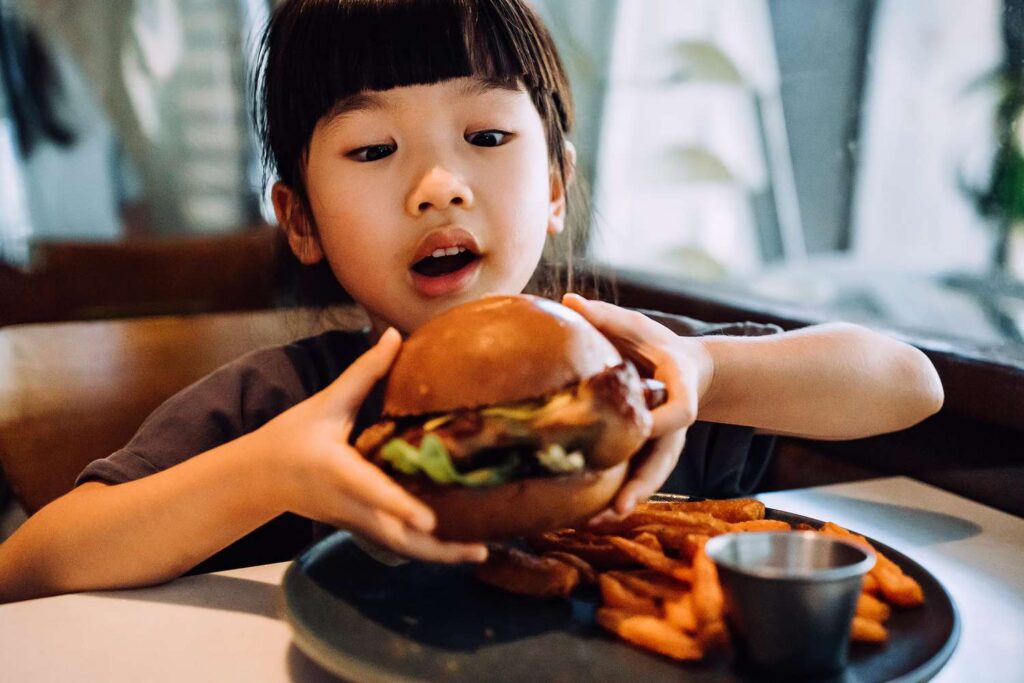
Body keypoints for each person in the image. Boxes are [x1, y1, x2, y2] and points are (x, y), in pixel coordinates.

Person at [0, 0, 943, 604]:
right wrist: (268, 475)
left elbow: (911, 385)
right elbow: (29, 567)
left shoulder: (630, 372)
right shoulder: (284, 408)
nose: (439, 184)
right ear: (300, 220)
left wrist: (710, 367)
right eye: (373, 151)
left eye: (487, 133)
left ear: (555, 185)